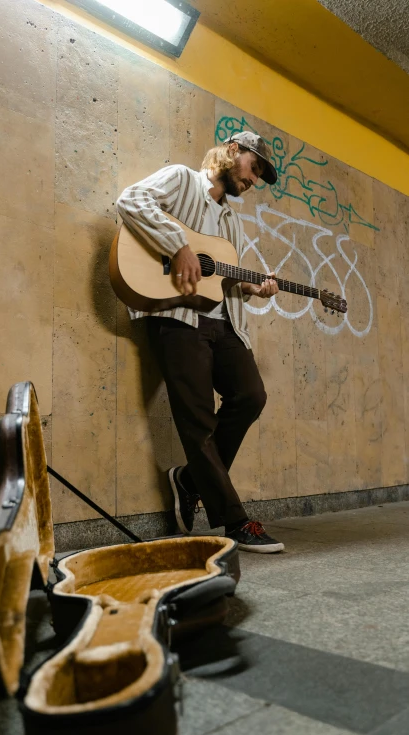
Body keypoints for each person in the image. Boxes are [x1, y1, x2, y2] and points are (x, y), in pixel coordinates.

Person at [116, 131, 284, 553]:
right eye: (254, 166)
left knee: (251, 395)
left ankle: (190, 479)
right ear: (232, 151)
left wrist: (252, 289)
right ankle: (234, 521)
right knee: (198, 421)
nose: (255, 179)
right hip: (177, 316)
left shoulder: (232, 222)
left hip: (222, 322)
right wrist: (178, 247)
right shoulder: (181, 179)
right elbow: (130, 201)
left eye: (260, 173)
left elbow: (219, 277)